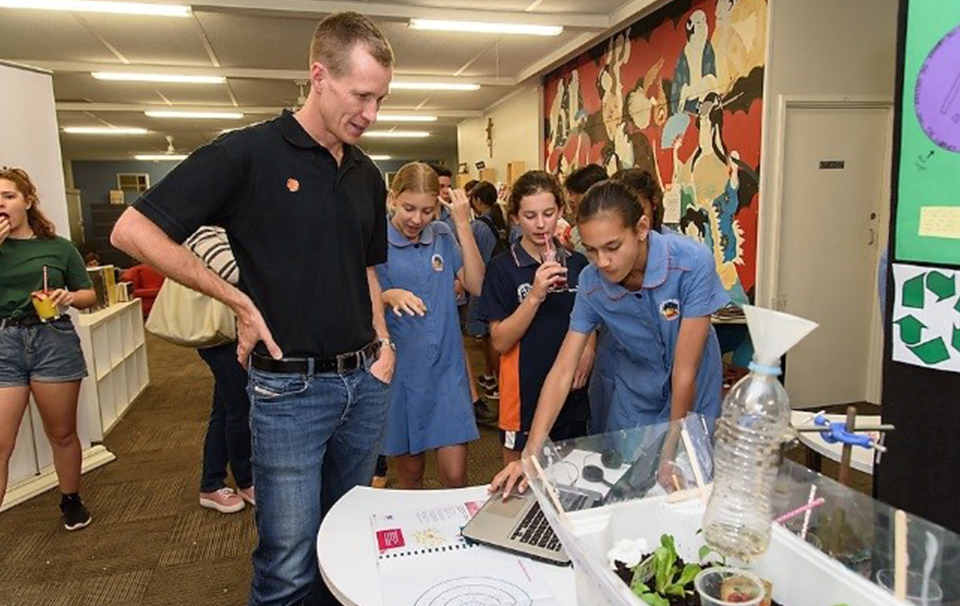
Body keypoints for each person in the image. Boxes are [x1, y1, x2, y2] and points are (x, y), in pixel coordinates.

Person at [110, 12, 396, 606]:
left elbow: (366, 268)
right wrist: (234, 297)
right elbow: (132, 231)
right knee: (287, 565)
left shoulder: (368, 174)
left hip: (363, 384)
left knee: (347, 544)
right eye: (361, 95)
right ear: (318, 76)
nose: (371, 113)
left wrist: (384, 344)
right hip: (289, 391)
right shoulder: (247, 154)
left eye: (381, 99)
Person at [491, 179, 728, 496]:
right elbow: (563, 370)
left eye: (612, 247)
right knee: (628, 485)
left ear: (641, 228)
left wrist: (670, 454)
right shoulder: (591, 283)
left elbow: (684, 373)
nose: (602, 261)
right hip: (637, 386)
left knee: (683, 486)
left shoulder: (690, 262)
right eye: (591, 250)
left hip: (692, 386)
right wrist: (531, 453)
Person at [0, 167, 97, 529]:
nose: (1, 205)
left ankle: (70, 499)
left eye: (8, 196)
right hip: (4, 342)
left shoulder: (58, 247)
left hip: (52, 340)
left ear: (27, 201)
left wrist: (69, 296)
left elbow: (89, 295)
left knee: (61, 432)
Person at [376, 163, 482, 489]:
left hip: (446, 371)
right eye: (409, 208)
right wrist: (386, 296)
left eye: (427, 210)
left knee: (454, 475)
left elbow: (476, 284)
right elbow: (353, 300)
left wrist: (463, 226)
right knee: (410, 477)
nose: (417, 219)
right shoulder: (376, 238)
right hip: (402, 373)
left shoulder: (442, 235)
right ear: (393, 198)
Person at [477, 171, 592, 464]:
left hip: (573, 393)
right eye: (530, 215)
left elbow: (591, 318)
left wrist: (589, 348)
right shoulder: (502, 268)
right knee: (520, 481)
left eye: (548, 213)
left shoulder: (579, 264)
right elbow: (500, 341)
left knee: (573, 479)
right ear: (515, 217)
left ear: (562, 212)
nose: (541, 224)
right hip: (524, 390)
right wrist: (535, 295)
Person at [183, 226, 254, 514]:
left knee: (225, 408)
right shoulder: (203, 231)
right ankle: (246, 480)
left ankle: (211, 483)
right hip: (222, 336)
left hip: (230, 332)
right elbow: (235, 272)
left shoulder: (223, 228)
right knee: (240, 407)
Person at [467, 181, 507, 401]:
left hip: (483, 286)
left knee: (491, 337)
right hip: (501, 285)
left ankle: (497, 383)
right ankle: (496, 380)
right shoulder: (502, 221)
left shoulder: (478, 227)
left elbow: (473, 262)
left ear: (477, 201)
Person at [562, 164, 608, 254]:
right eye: (570, 193)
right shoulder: (573, 233)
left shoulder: (612, 229)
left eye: (577, 193)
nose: (571, 199)